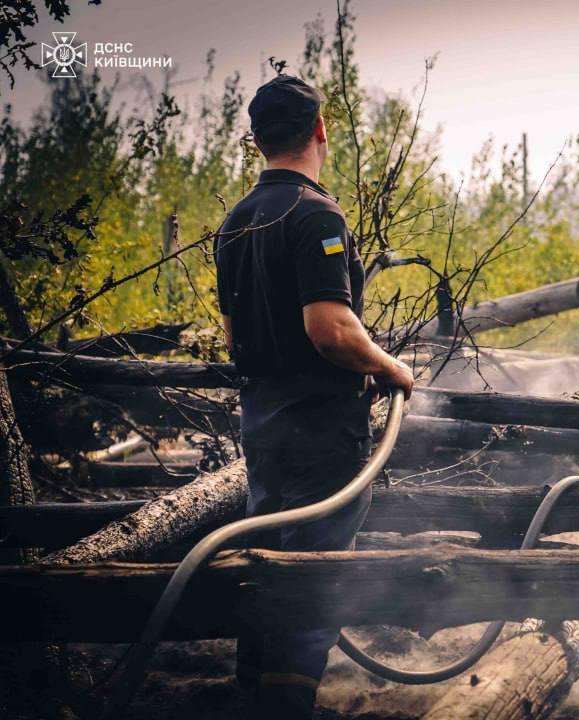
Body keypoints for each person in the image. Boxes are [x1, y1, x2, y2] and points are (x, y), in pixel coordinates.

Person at [214, 74, 415, 719]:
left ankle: (253, 692)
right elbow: (329, 328)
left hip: (261, 423)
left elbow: (231, 331)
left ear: (255, 139)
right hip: (319, 428)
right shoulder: (315, 213)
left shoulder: (234, 222)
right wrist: (391, 368)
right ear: (320, 130)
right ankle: (286, 704)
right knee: (314, 568)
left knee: (264, 557)